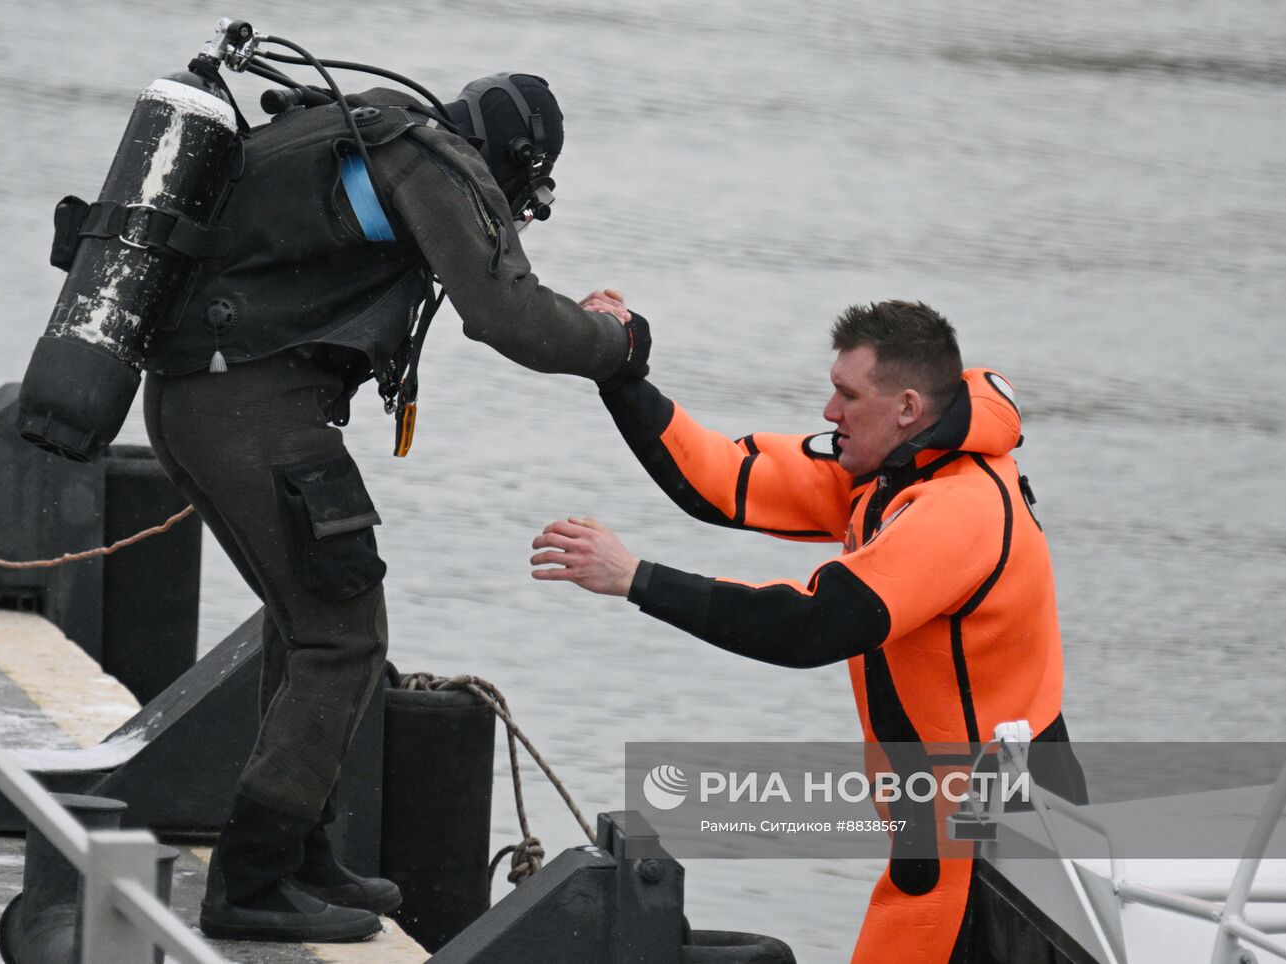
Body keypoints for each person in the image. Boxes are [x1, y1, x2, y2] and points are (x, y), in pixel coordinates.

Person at [141, 74, 642, 942]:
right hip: (251, 410)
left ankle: (303, 852)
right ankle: (251, 883)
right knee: (344, 637)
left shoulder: (369, 124)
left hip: (198, 395)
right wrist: (619, 345)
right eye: (528, 189)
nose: (520, 206)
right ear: (517, 160)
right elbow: (508, 314)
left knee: (304, 623)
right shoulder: (432, 162)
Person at [530, 297, 1085, 962]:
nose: (829, 414)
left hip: (997, 847)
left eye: (846, 396)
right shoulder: (891, 469)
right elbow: (725, 478)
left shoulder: (958, 512)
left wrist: (635, 577)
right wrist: (620, 372)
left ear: (907, 407)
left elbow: (810, 625)